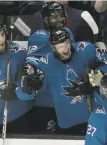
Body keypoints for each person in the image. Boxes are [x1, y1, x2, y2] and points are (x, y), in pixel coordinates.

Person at [22, 27, 103, 135]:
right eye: (60, 46)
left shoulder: (86, 49)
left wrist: (96, 80)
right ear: (53, 48)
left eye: (66, 43)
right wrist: (29, 87)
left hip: (93, 119)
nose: (65, 49)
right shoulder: (45, 63)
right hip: (66, 123)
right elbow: (34, 91)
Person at [25, 1, 75, 131]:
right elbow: (32, 61)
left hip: (65, 97)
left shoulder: (68, 32)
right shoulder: (39, 37)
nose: (59, 20)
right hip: (46, 100)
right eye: (54, 16)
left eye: (61, 15)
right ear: (46, 19)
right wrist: (31, 72)